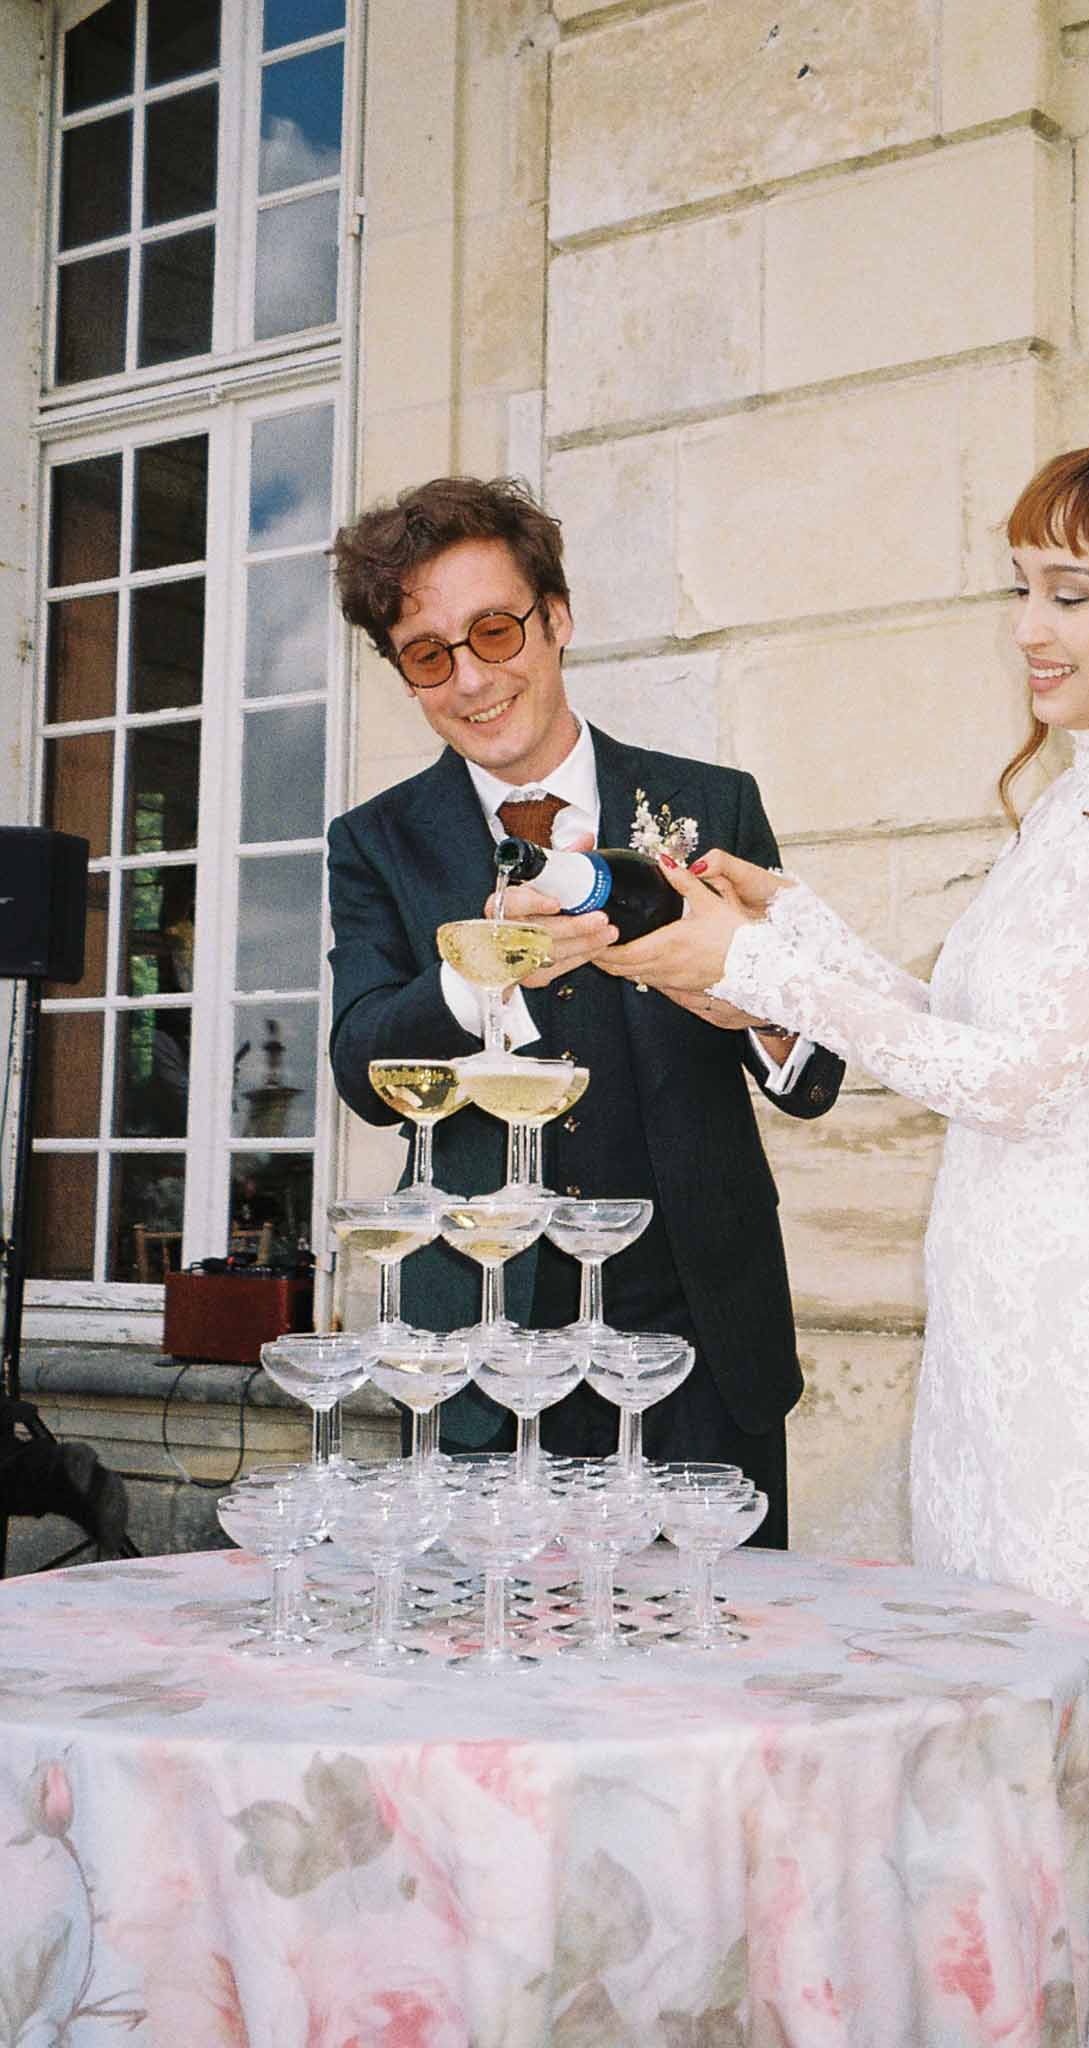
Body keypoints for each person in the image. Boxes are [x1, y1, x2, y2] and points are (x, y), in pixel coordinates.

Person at [595, 441, 1089, 2044]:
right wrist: (777, 931)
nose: (1028, 629)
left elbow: (1019, 1083)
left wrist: (765, 963)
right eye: (1016, 591)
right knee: (1018, 1761)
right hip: (995, 1358)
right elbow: (941, 1028)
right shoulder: (1071, 804)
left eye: (1068, 591)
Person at [325, 476, 844, 1546]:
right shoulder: (374, 840)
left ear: (556, 619)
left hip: (696, 1348)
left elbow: (813, 1073)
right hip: (481, 1353)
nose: (470, 677)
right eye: (429, 653)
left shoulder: (710, 802)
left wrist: (745, 999)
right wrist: (479, 979)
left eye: (495, 629)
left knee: (717, 1681)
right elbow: (359, 1069)